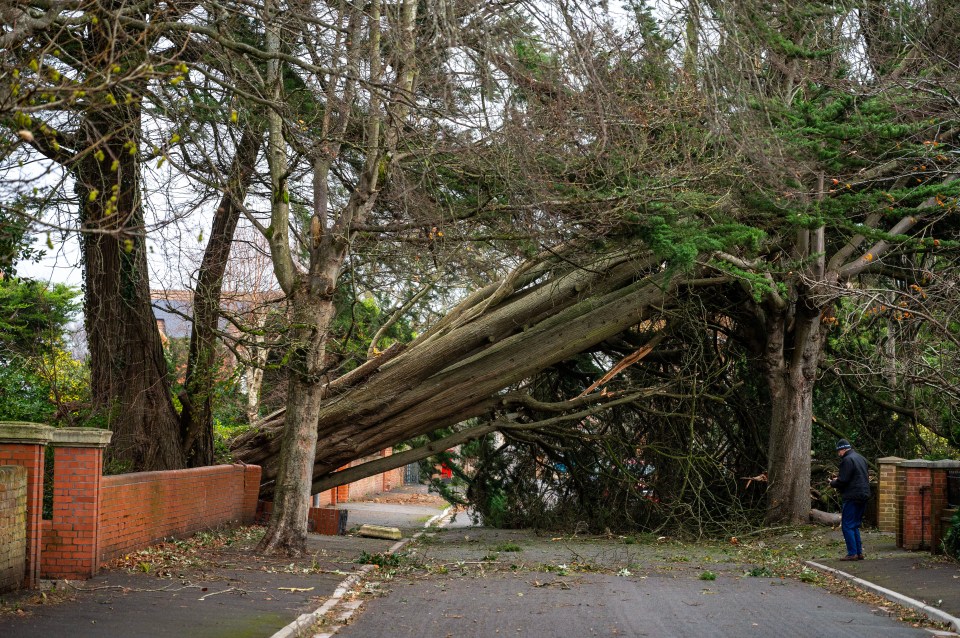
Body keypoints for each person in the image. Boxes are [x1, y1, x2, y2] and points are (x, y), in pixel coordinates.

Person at [830, 439, 871, 561]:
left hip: (852, 495)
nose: (839, 454)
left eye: (839, 451)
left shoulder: (847, 460)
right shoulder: (860, 458)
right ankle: (858, 552)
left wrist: (833, 482)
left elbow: (843, 480)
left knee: (847, 525)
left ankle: (852, 553)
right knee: (855, 525)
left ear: (842, 449)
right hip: (863, 494)